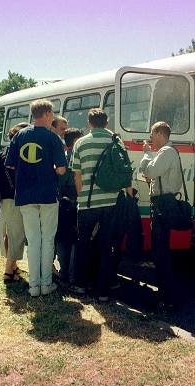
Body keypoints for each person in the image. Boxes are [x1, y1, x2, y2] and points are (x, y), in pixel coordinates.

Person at [6, 99, 66, 297]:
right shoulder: (53, 138)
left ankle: (34, 286)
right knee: (47, 239)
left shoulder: (20, 136)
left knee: (33, 240)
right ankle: (46, 284)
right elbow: (61, 169)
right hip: (48, 194)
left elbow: (11, 165)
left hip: (25, 195)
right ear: (47, 114)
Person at [71, 109, 129, 301]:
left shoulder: (80, 143)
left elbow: (77, 176)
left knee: (83, 244)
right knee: (107, 246)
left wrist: (82, 197)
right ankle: (103, 290)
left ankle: (80, 285)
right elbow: (125, 171)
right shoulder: (116, 141)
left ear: (90, 123)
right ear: (106, 122)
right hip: (111, 202)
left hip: (88, 203)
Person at [138, 121, 182, 308]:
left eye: (152, 134)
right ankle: (166, 293)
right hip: (164, 202)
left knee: (160, 251)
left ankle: (167, 296)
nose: (150, 139)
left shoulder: (166, 152)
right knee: (160, 250)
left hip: (162, 204)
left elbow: (148, 170)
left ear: (160, 133)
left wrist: (147, 153)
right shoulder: (168, 152)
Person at [0, 122, 28, 283]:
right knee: (17, 234)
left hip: (3, 198)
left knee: (9, 233)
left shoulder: (3, 154)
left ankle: (12, 266)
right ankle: (8, 269)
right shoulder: (22, 155)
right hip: (17, 198)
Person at [55, 127, 82, 286]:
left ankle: (63, 272)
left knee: (61, 237)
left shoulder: (61, 157)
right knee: (75, 240)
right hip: (76, 200)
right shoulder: (79, 157)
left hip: (61, 202)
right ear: (77, 140)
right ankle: (73, 275)